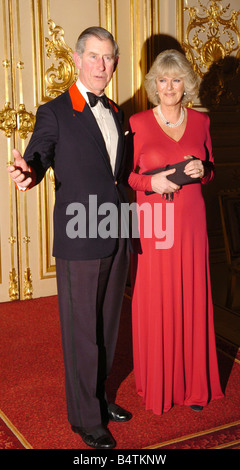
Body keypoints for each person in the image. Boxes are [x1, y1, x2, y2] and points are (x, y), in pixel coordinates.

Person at [7, 26, 131, 449]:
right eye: (93, 56)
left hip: (116, 231)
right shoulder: (55, 111)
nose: (101, 65)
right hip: (79, 236)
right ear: (76, 59)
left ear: (115, 62)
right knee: (81, 330)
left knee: (107, 325)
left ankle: (98, 398)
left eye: (108, 57)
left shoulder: (116, 111)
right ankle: (85, 419)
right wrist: (29, 172)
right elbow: (39, 153)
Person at [127, 49, 224, 416]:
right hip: (155, 223)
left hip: (191, 221)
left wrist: (203, 169)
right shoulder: (137, 122)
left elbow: (211, 167)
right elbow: (127, 177)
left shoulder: (201, 122)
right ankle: (159, 384)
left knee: (192, 295)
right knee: (157, 297)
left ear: (187, 83)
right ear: (154, 84)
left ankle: (195, 385)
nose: (169, 87)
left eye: (177, 79)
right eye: (163, 80)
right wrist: (154, 181)